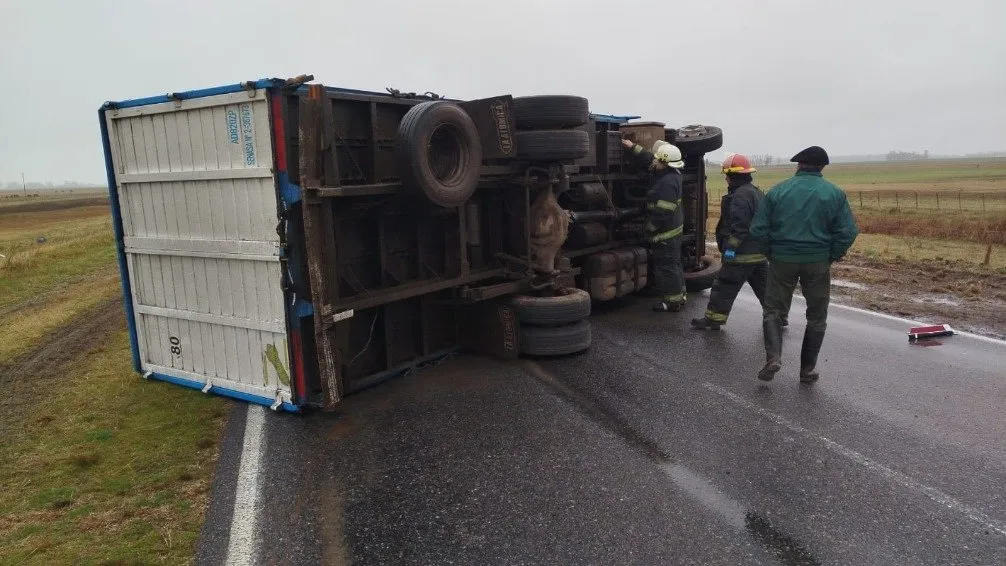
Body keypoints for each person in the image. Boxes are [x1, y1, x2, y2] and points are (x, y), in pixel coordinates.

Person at [748, 145, 859, 383]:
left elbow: (758, 229)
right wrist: (831, 255)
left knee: (774, 311)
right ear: (822, 167)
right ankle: (807, 370)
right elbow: (848, 231)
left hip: (782, 259)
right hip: (817, 261)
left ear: (799, 165)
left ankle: (774, 358)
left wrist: (772, 252)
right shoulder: (835, 193)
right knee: (817, 315)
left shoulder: (778, 191)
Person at [691, 153, 769, 330]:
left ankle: (713, 319)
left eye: (726, 174)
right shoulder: (757, 193)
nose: (725, 178)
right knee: (765, 289)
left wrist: (730, 249)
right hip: (758, 254)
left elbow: (739, 228)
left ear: (733, 175)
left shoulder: (739, 196)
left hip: (741, 255)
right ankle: (778, 318)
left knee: (724, 286)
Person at [622, 138, 686, 312]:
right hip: (672, 231)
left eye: (658, 159)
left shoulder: (667, 183)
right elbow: (648, 158)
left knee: (666, 268)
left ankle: (671, 302)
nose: (655, 161)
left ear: (665, 163)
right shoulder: (671, 175)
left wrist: (649, 228)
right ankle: (680, 296)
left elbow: (662, 212)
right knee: (674, 264)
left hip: (665, 233)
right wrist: (632, 146)